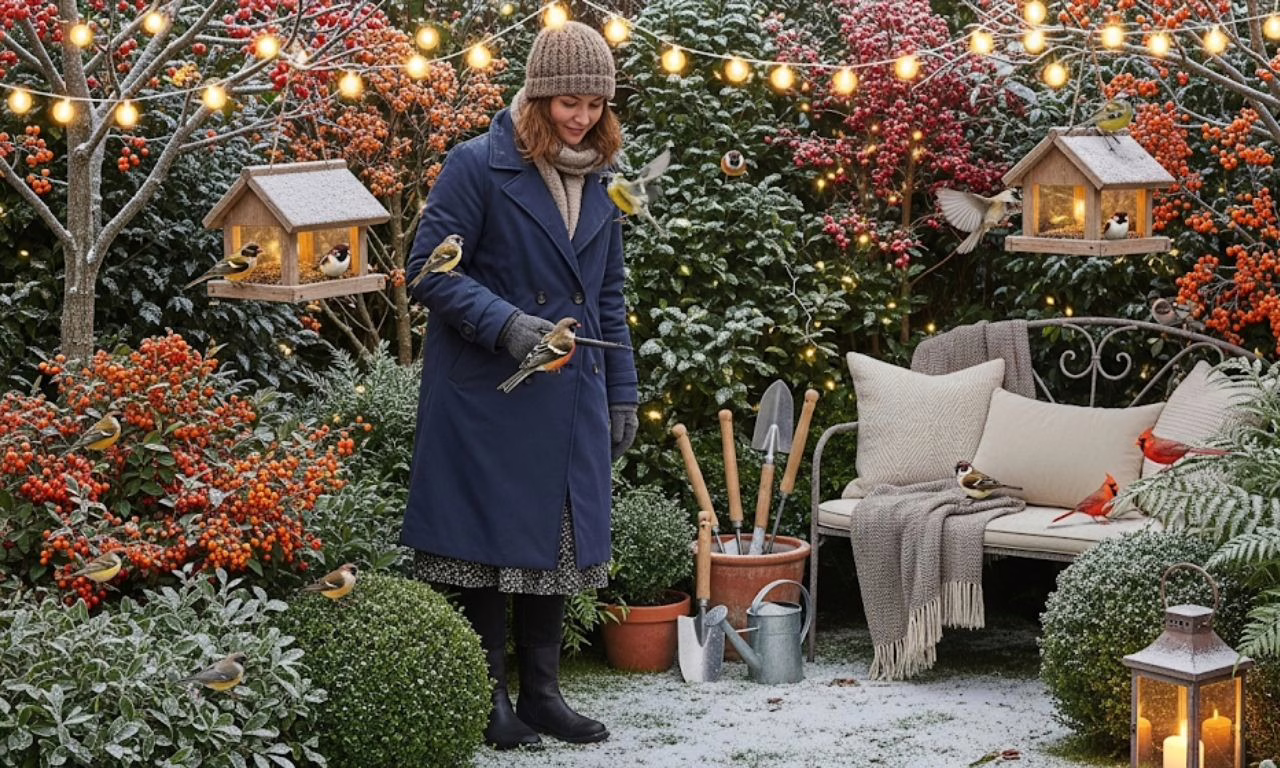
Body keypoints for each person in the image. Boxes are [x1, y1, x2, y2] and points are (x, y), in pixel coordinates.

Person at [400, 21, 639, 751]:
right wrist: (507, 326)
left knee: (557, 548)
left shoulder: (601, 180)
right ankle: (489, 696)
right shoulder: (477, 165)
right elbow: (427, 269)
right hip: (490, 391)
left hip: (569, 394)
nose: (581, 118)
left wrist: (621, 389)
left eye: (594, 106)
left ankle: (543, 694)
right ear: (536, 97)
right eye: (567, 102)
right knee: (488, 548)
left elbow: (607, 296)